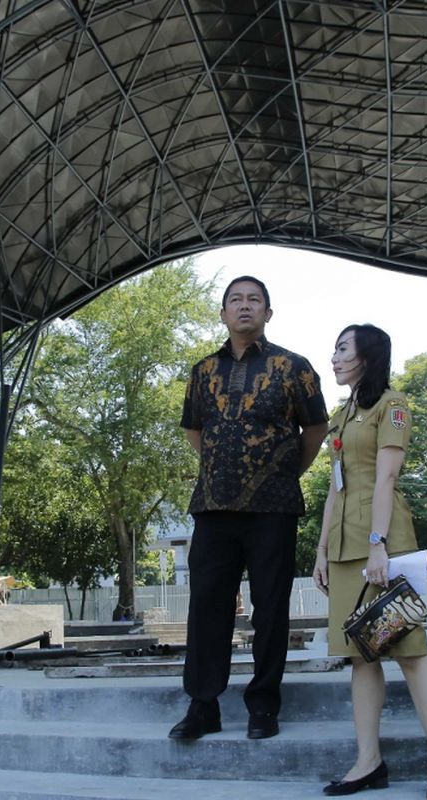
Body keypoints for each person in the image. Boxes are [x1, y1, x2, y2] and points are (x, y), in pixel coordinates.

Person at [169, 276, 329, 742]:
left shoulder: (293, 367)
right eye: (235, 300)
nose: (244, 306)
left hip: (273, 508)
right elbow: (194, 430)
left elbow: (315, 429)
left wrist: (283, 472)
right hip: (213, 506)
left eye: (253, 300)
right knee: (206, 608)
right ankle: (203, 706)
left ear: (268, 313)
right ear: (222, 314)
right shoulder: (202, 371)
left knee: (271, 608)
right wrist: (222, 469)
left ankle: (263, 705)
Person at [314, 324, 427, 800]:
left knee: (412, 653)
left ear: (367, 357)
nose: (333, 358)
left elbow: (386, 477)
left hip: (384, 543)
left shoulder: (391, 405)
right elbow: (337, 486)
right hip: (343, 548)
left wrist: (379, 544)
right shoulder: (342, 414)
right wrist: (320, 550)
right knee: (360, 657)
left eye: (342, 349)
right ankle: (368, 761)